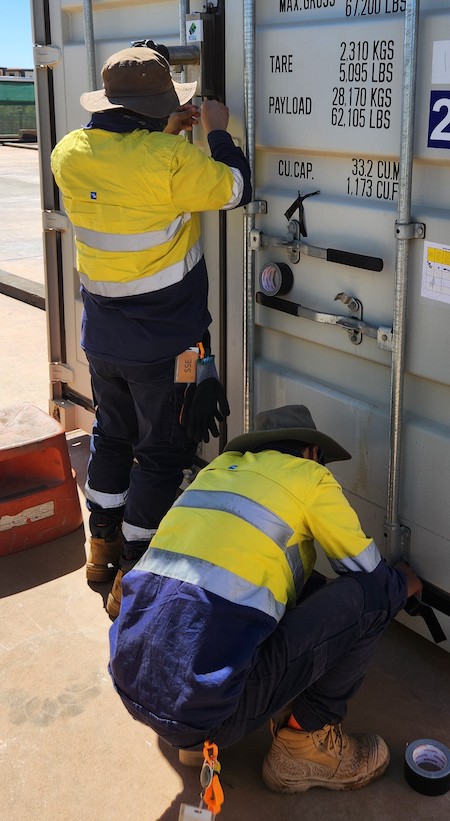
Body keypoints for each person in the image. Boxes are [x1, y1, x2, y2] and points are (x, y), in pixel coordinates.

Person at [108, 403, 423, 793]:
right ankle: (303, 745)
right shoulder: (309, 476)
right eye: (321, 459)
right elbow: (369, 574)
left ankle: (196, 736)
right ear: (310, 452)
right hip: (198, 710)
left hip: (132, 680)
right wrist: (404, 581)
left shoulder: (216, 471)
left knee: (292, 589)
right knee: (371, 597)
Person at [50, 45, 252, 618]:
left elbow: (127, 172)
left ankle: (101, 547)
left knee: (111, 439)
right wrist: (214, 131)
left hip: (103, 338)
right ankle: (135, 572)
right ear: (158, 111)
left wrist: (163, 129)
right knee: (162, 455)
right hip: (167, 345)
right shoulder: (171, 161)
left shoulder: (69, 151)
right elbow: (236, 189)